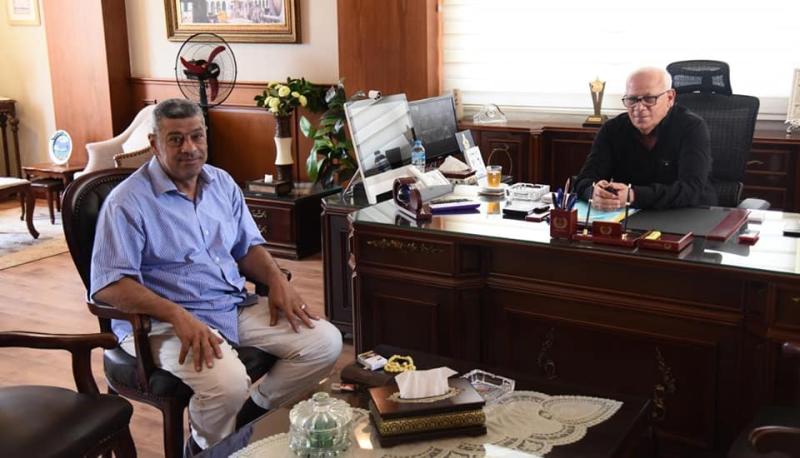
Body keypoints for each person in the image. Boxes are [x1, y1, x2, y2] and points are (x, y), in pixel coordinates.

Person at [90, 98, 342, 452]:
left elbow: (246, 247)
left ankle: (248, 424)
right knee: (228, 383)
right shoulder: (127, 202)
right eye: (176, 139)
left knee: (325, 343)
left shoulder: (221, 183)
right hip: (160, 324)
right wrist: (176, 314)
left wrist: (276, 279)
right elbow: (110, 285)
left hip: (228, 304)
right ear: (154, 144)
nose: (189, 148)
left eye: (196, 136)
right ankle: (207, 449)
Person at [574, 67, 717, 210]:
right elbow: (582, 181)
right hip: (630, 215)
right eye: (632, 99)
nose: (639, 108)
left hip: (688, 213)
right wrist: (593, 192)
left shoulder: (692, 127)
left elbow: (691, 189)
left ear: (670, 98)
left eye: (649, 99)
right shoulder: (612, 129)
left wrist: (634, 195)